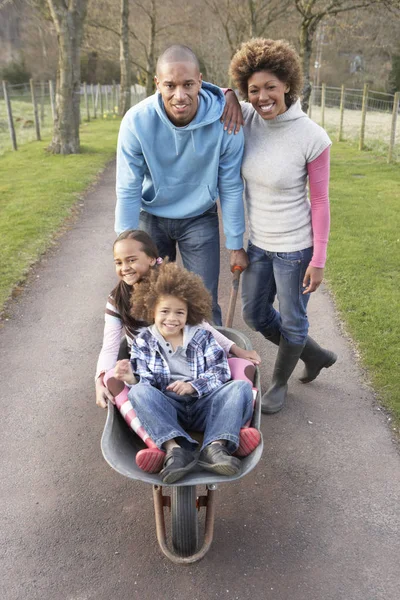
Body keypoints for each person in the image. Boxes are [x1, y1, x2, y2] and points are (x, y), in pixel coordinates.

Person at [224, 38, 337, 414]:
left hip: (296, 249)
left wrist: (318, 259)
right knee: (255, 314)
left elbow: (320, 201)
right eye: (252, 89)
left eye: (270, 87)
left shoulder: (312, 137)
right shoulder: (245, 117)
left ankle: (279, 383)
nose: (262, 97)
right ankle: (315, 352)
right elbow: (203, 91)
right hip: (259, 244)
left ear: (287, 84)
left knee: (292, 318)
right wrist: (226, 93)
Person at [115, 44, 248, 325]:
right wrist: (125, 247)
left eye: (188, 84)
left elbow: (231, 186)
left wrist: (236, 244)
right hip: (152, 217)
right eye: (170, 85)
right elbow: (128, 189)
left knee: (203, 300)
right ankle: (154, 364)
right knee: (148, 299)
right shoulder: (136, 122)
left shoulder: (227, 122)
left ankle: (211, 365)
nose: (180, 95)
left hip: (199, 218)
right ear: (157, 84)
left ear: (201, 80)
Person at [113, 261, 256, 484]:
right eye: (165, 311)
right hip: (169, 408)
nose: (172, 318)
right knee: (138, 392)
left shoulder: (201, 336)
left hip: (204, 404)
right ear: (152, 310)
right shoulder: (144, 341)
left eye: (180, 312)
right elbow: (147, 382)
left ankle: (214, 448)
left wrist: (194, 386)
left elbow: (221, 370)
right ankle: (176, 450)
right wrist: (131, 378)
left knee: (240, 387)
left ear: (189, 313)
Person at [95, 229, 261, 410]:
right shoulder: (117, 299)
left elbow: (201, 326)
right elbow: (110, 346)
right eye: (118, 262)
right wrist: (100, 380)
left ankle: (239, 420)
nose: (124, 267)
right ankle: (145, 426)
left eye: (131, 260)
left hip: (190, 363)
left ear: (151, 259)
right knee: (111, 378)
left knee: (241, 367)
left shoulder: (170, 288)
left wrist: (235, 349)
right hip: (150, 370)